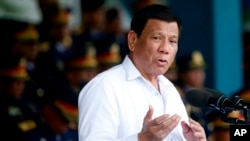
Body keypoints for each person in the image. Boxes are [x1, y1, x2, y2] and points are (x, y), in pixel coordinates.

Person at [78, 4, 206, 141]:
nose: (165, 48)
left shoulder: (170, 90)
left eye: (172, 41)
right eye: (157, 38)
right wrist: (142, 138)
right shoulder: (104, 87)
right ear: (132, 40)